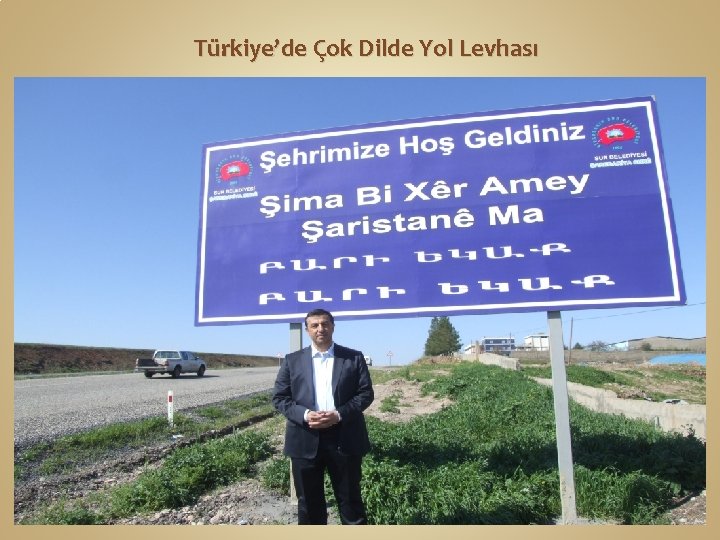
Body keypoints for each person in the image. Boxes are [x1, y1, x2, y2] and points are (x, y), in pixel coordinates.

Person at [272, 308, 374, 525]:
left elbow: (366, 394)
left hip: (345, 439)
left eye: (325, 324)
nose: (320, 329)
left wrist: (338, 415)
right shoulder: (292, 361)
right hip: (304, 439)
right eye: (315, 325)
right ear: (307, 330)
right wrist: (305, 415)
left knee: (351, 503)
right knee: (309, 506)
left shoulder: (353, 358)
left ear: (333, 327)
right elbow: (280, 398)